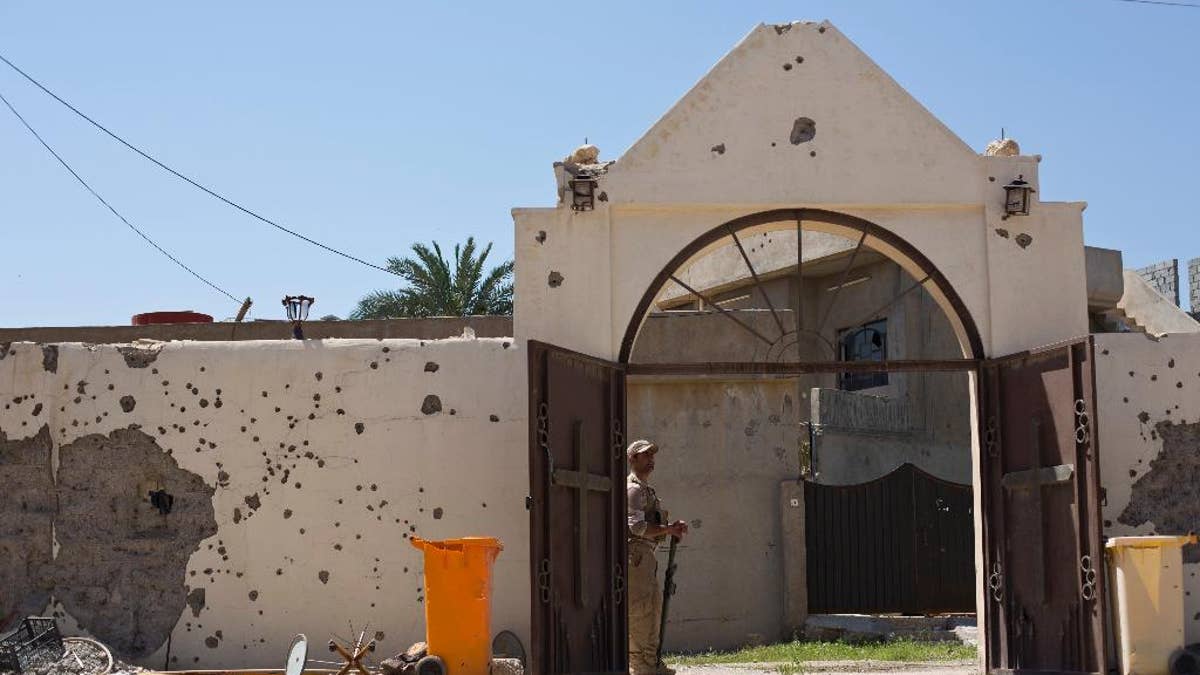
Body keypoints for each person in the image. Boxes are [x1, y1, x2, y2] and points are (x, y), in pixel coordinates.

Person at [626, 439, 689, 675]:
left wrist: (670, 527)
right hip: (636, 555)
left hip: (646, 555)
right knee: (640, 610)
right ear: (633, 459)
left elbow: (651, 525)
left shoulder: (645, 490)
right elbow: (636, 527)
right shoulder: (633, 489)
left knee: (652, 608)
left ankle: (651, 662)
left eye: (652, 455)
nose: (651, 459)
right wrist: (667, 530)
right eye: (645, 455)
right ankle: (640, 665)